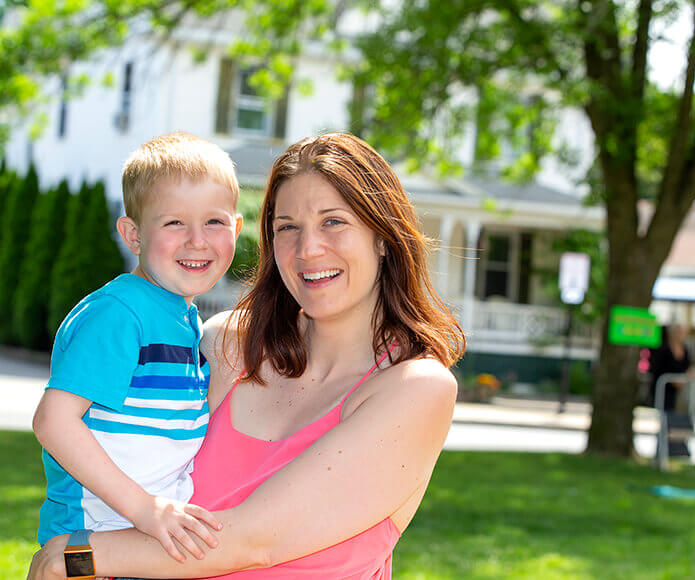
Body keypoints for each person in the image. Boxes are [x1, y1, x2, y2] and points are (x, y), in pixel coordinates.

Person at [28, 132, 465, 579]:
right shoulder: (224, 346)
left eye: (333, 222)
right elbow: (106, 446)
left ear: (383, 237)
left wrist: (77, 556)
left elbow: (255, 541)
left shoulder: (416, 389)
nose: (308, 248)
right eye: (287, 227)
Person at [32, 132, 243, 563]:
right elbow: (53, 422)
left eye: (214, 222)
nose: (197, 240)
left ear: (236, 229)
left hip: (144, 546)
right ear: (133, 234)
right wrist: (144, 508)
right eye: (174, 223)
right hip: (95, 541)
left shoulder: (181, 319)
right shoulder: (120, 313)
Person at [649, 324, 692, 412]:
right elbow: (657, 368)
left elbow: (687, 367)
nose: (680, 335)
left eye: (682, 333)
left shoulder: (685, 350)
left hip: (675, 390)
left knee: (671, 411)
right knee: (661, 411)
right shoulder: (664, 349)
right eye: (678, 332)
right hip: (661, 387)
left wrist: (686, 376)